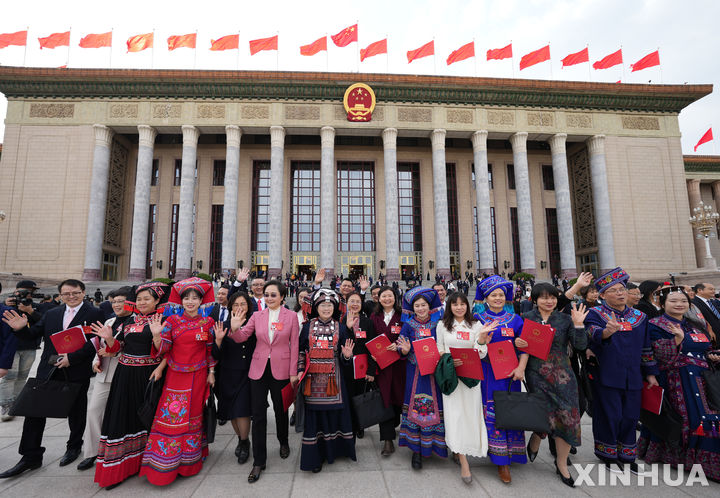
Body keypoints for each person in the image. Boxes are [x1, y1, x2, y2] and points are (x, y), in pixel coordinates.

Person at [0, 279, 105, 477]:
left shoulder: (94, 313)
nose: (71, 297)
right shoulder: (52, 313)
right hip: (48, 369)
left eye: (75, 293)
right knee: (34, 412)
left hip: (76, 371)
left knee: (76, 412)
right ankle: (30, 457)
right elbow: (33, 335)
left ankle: (73, 447)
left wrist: (72, 358)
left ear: (83, 292)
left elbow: (95, 341)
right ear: (61, 295)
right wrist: (20, 328)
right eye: (66, 294)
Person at [140, 278, 217, 486]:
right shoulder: (172, 322)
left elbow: (210, 351)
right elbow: (164, 349)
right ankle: (164, 463)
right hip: (175, 376)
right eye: (186, 298)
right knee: (171, 417)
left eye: (195, 298)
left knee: (194, 416)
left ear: (202, 301)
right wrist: (156, 336)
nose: (190, 302)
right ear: (181, 301)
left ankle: (189, 461)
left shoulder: (208, 323)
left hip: (199, 375)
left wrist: (211, 372)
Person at [638, 287, 720, 481]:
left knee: (712, 416)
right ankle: (687, 459)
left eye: (683, 301)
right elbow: (651, 354)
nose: (679, 304)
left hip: (703, 377)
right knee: (690, 418)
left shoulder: (695, 324)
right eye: (673, 301)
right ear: (662, 303)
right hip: (677, 379)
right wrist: (677, 339)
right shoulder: (654, 325)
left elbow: (705, 346)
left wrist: (712, 356)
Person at [93, 283, 169, 489]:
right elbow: (117, 348)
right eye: (140, 299)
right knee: (121, 415)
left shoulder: (164, 321)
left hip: (148, 375)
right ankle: (120, 468)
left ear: (156, 301)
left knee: (146, 417)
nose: (142, 302)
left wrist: (156, 335)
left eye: (147, 299)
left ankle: (148, 463)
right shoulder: (128, 321)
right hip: (124, 374)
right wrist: (109, 339)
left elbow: (164, 351)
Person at [584, 267, 659, 473]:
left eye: (622, 289)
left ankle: (627, 453)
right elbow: (592, 334)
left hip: (634, 374)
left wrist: (651, 373)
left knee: (631, 416)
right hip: (607, 373)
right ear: (603, 295)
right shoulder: (596, 314)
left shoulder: (639, 317)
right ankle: (607, 453)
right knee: (610, 415)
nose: (620, 293)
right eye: (614, 290)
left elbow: (646, 347)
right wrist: (606, 332)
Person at [228, 280, 299, 483]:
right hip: (258, 370)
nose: (269, 298)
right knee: (258, 415)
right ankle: (259, 461)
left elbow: (294, 345)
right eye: (266, 294)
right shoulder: (257, 316)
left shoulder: (291, 316)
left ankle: (283, 441)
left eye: (273, 295)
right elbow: (242, 337)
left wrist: (293, 371)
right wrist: (234, 329)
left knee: (281, 409)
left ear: (282, 297)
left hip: (282, 369)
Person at [522, 283, 589, 488]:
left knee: (568, 417)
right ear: (535, 300)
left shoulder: (565, 319)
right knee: (543, 413)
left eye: (552, 297)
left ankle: (561, 463)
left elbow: (580, 346)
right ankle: (537, 434)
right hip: (536, 374)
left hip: (563, 375)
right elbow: (518, 343)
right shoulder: (526, 318)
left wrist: (579, 326)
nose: (549, 301)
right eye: (543, 297)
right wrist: (518, 343)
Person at [473, 275, 528, 483]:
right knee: (493, 413)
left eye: (501, 295)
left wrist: (521, 368)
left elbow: (525, 347)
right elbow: (473, 348)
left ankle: (513, 451)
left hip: (512, 374)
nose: (497, 298)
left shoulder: (516, 319)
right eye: (493, 295)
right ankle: (500, 460)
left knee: (512, 411)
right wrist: (481, 339)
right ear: (486, 298)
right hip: (488, 373)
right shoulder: (477, 320)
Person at [435, 292, 493, 483]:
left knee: (470, 414)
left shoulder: (475, 325)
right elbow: (440, 349)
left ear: (467, 306)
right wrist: (451, 360)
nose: (459, 307)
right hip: (452, 377)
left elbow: (480, 353)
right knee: (454, 415)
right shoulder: (442, 325)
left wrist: (482, 340)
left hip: (470, 378)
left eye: (462, 304)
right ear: (449, 307)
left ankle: (466, 447)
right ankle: (463, 461)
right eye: (455, 304)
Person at [298, 288, 357, 472]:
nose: (326, 308)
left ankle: (336, 451)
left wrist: (347, 356)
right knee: (315, 418)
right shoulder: (307, 327)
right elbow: (301, 351)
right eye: (323, 305)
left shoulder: (340, 327)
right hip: (312, 380)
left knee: (335, 415)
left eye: (329, 305)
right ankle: (316, 456)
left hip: (335, 379)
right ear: (317, 307)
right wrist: (300, 371)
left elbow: (346, 355)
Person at [76, 288, 132, 472]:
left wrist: (113, 349)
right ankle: (93, 452)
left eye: (121, 301)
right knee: (93, 411)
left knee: (120, 414)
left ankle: (117, 450)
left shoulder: (135, 322)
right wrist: (95, 361)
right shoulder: (109, 321)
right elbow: (98, 344)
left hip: (124, 373)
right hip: (104, 373)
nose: (116, 305)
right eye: (114, 301)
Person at [397, 287, 447, 469]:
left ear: (429, 306)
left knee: (436, 408)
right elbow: (400, 345)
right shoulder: (409, 325)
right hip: (415, 373)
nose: (420, 308)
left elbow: (444, 344)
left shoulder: (439, 324)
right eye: (417, 306)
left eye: (423, 305)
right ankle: (416, 450)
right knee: (414, 408)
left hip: (434, 374)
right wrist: (404, 350)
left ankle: (433, 446)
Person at [212, 291, 256, 464]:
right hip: (228, 373)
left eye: (242, 304)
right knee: (231, 412)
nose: (239, 308)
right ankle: (240, 438)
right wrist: (218, 340)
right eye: (236, 304)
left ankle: (245, 442)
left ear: (248, 306)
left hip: (247, 373)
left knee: (242, 410)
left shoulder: (255, 322)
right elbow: (216, 355)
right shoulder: (223, 324)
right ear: (230, 306)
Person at [370, 286, 406, 457]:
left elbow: (408, 336)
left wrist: (399, 345)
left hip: (400, 365)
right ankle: (387, 440)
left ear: (395, 297)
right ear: (379, 298)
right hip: (382, 367)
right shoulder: (374, 316)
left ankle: (395, 422)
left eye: (389, 296)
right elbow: (370, 339)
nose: (386, 299)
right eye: (383, 296)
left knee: (398, 397)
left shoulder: (403, 316)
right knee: (384, 400)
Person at [341, 290, 377, 439]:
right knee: (347, 396)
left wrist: (371, 370)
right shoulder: (341, 321)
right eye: (352, 301)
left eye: (358, 302)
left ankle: (359, 425)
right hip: (347, 366)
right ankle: (348, 424)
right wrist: (348, 328)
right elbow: (341, 343)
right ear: (347, 303)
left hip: (363, 367)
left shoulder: (367, 322)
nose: (355, 304)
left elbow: (372, 347)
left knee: (360, 396)